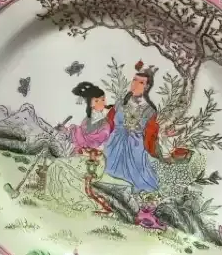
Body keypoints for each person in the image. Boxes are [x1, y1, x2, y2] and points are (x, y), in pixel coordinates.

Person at [103, 61, 165, 193]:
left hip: (135, 148)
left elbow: (151, 136)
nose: (135, 84)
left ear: (147, 87)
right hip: (114, 143)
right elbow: (108, 123)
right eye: (134, 80)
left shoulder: (150, 111)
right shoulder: (120, 103)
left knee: (138, 180)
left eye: (141, 82)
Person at [61, 82, 113, 152]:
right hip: (88, 139)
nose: (101, 103)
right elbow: (83, 130)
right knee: (73, 131)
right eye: (96, 101)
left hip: (98, 141)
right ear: (90, 103)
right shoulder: (89, 118)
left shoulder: (105, 116)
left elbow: (104, 133)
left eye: (103, 100)